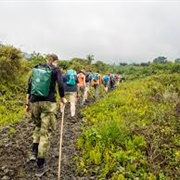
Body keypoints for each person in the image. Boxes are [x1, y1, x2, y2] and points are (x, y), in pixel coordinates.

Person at [26, 54, 66, 177]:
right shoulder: (55, 69)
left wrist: (27, 104)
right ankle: (40, 166)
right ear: (55, 61)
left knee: (37, 126)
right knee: (45, 132)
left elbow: (29, 86)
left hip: (34, 102)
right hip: (48, 103)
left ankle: (33, 152)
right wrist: (62, 98)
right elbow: (60, 84)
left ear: (46, 59)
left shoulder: (36, 68)